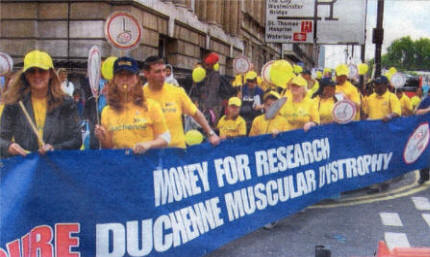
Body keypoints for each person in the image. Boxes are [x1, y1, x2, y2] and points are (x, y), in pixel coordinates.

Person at [0, 50, 81, 157]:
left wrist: (54, 148)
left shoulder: (65, 103)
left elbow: (76, 140)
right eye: (32, 71)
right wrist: (9, 146)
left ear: (51, 73)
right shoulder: (15, 103)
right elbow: (1, 138)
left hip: (54, 167)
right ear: (26, 75)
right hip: (24, 167)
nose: (36, 75)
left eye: (42, 70)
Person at [94, 57, 170, 154]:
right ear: (114, 80)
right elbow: (109, 147)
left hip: (147, 165)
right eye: (120, 75)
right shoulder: (107, 111)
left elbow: (165, 138)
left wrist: (149, 144)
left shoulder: (152, 106)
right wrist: (102, 138)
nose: (125, 79)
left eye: (129, 75)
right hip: (120, 166)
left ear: (137, 79)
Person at [142, 56, 220, 148]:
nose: (163, 75)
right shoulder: (139, 96)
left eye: (164, 70)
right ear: (146, 73)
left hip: (177, 153)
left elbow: (196, 113)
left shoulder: (177, 92)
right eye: (158, 72)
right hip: (152, 155)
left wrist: (211, 133)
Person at [415, 89, 430, 184]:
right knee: (424, 152)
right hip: (426, 131)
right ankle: (424, 176)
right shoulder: (427, 100)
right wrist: (428, 109)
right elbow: (416, 112)